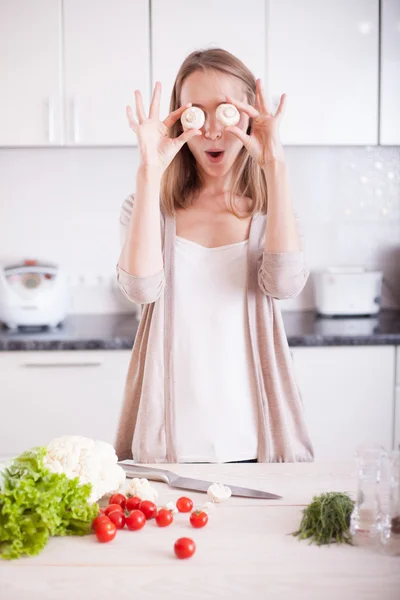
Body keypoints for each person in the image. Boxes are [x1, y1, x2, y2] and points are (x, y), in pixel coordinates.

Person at [115, 48, 314, 464]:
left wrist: (275, 166)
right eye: (195, 112)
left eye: (224, 109)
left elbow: (284, 284)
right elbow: (140, 288)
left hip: (256, 440)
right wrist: (149, 171)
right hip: (169, 445)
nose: (210, 130)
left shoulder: (270, 208)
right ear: (179, 118)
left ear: (248, 114)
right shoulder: (148, 205)